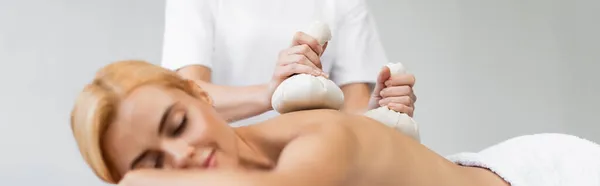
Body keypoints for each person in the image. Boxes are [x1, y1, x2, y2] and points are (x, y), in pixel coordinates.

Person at [71, 60, 600, 186]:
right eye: (152, 161)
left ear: (199, 95)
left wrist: (141, 178)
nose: (179, 158)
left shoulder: (315, 133)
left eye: (177, 124)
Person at [160, 0, 417, 126]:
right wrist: (270, 92)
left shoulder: (345, 3)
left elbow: (353, 111)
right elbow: (189, 98)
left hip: (311, 166)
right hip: (228, 165)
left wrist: (381, 113)